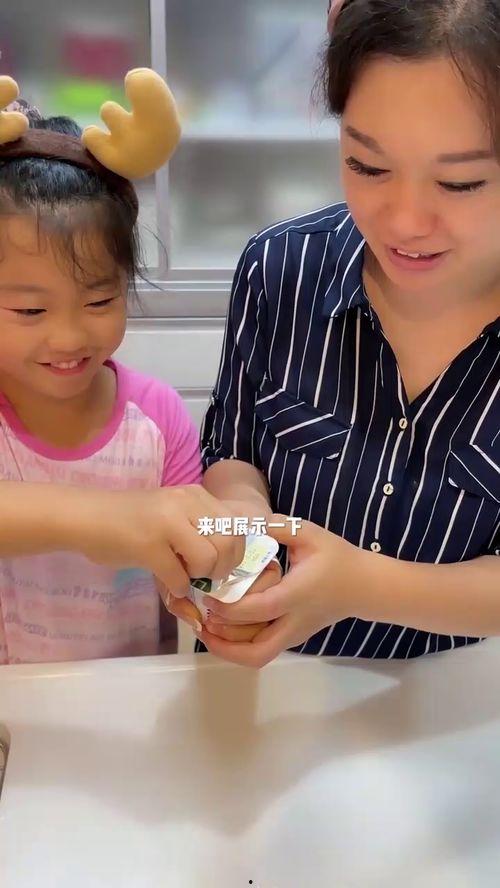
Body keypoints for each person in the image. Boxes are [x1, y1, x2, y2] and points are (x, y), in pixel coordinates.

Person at [168, 0, 500, 667]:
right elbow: (233, 454)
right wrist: (243, 547)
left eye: (459, 182)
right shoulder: (281, 267)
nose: (404, 222)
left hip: (445, 706)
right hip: (267, 693)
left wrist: (360, 587)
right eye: (367, 166)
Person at [0, 71, 248, 664]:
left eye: (99, 301)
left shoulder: (155, 418)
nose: (69, 336)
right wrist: (101, 519)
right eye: (30, 310)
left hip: (131, 690)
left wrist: (235, 574)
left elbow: (197, 554)